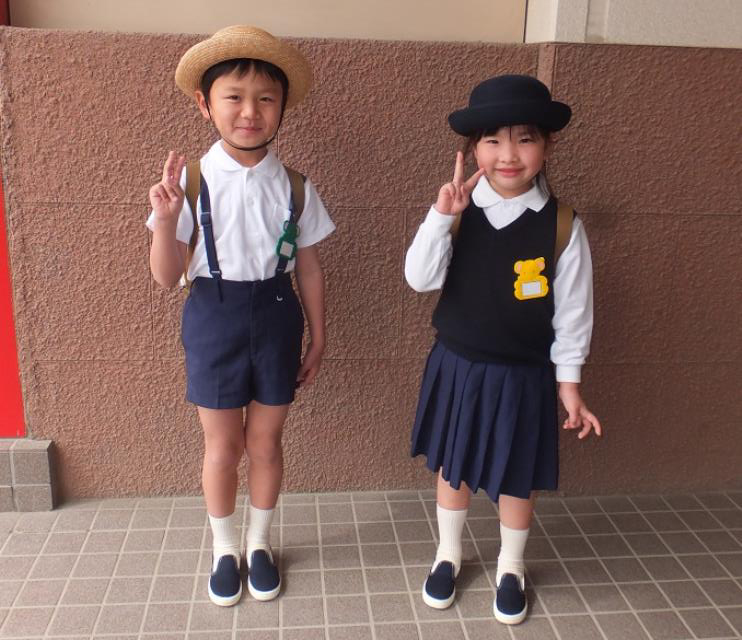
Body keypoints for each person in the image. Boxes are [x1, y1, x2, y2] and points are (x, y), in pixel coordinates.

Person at [146, 26, 334, 607]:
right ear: (206, 104)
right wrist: (164, 220)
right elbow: (164, 275)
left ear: (281, 108)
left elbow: (307, 269)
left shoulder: (296, 187)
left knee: (268, 443)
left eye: (265, 98)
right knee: (222, 447)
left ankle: (259, 544)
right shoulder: (189, 184)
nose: (250, 111)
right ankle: (223, 548)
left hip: (278, 315)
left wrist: (319, 335)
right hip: (214, 315)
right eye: (234, 96)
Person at [404, 74, 601, 625]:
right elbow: (418, 279)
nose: (508, 155)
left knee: (516, 475)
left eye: (524, 138)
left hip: (523, 375)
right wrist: (441, 215)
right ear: (472, 150)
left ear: (547, 146)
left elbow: (574, 312)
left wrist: (570, 385)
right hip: (458, 367)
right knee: (453, 466)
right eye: (492, 140)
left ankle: (511, 565)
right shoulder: (458, 213)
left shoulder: (563, 226)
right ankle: (449, 553)